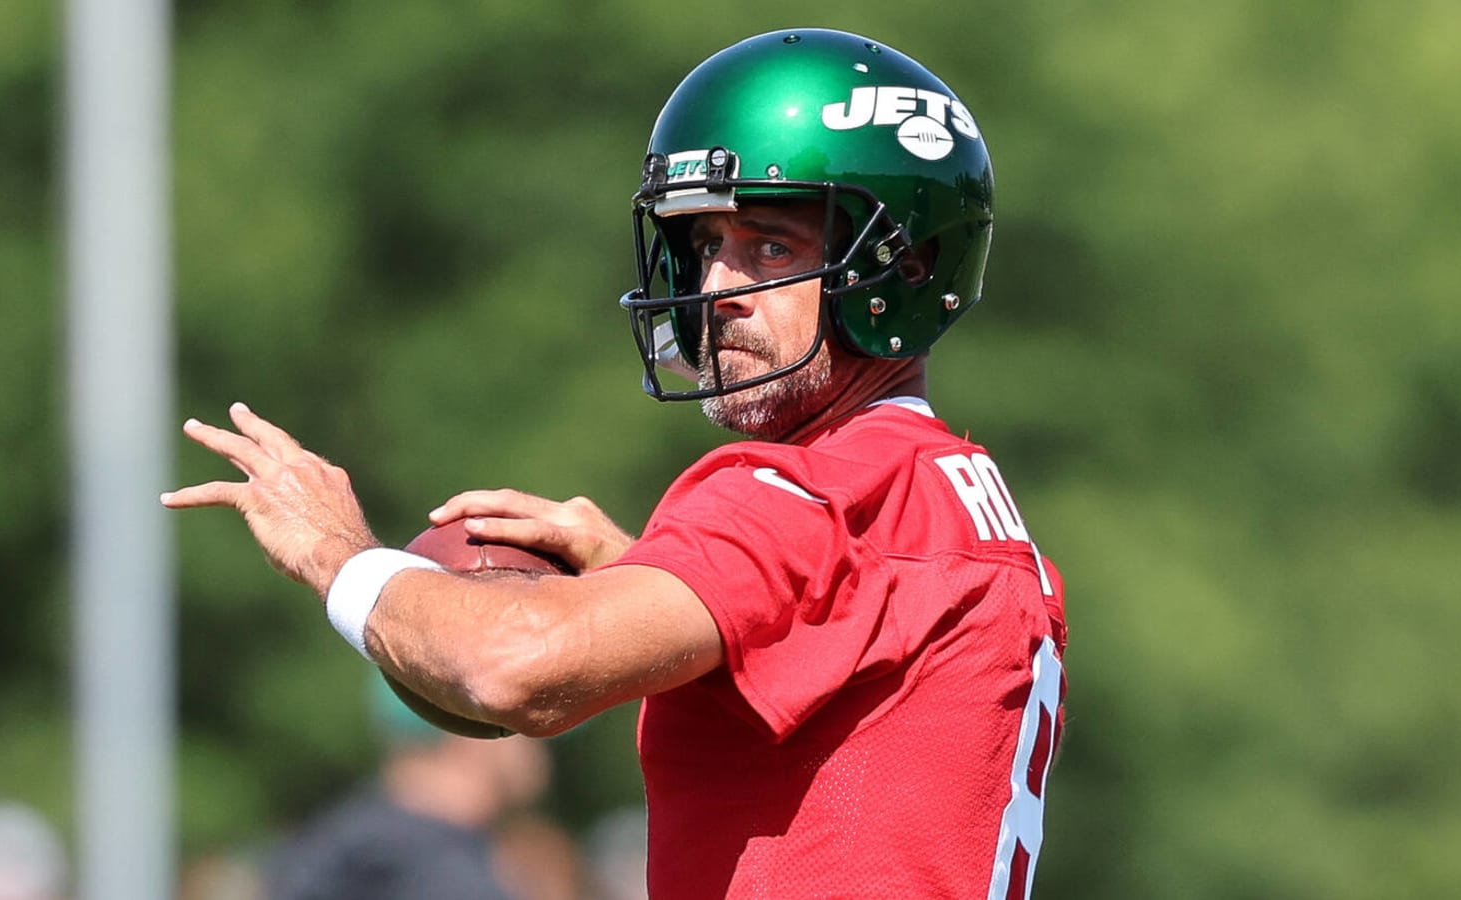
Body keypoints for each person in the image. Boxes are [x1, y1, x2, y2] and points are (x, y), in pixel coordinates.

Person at [164, 27, 1068, 899]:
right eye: (708, 246)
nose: (716, 291)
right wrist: (653, 572)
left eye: (769, 248)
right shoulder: (946, 493)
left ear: (901, 267)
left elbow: (515, 666)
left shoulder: (812, 492)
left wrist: (337, 556)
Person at [265, 675, 556, 900]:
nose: (541, 746)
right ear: (473, 727)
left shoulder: (337, 843)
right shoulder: (439, 871)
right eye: (525, 725)